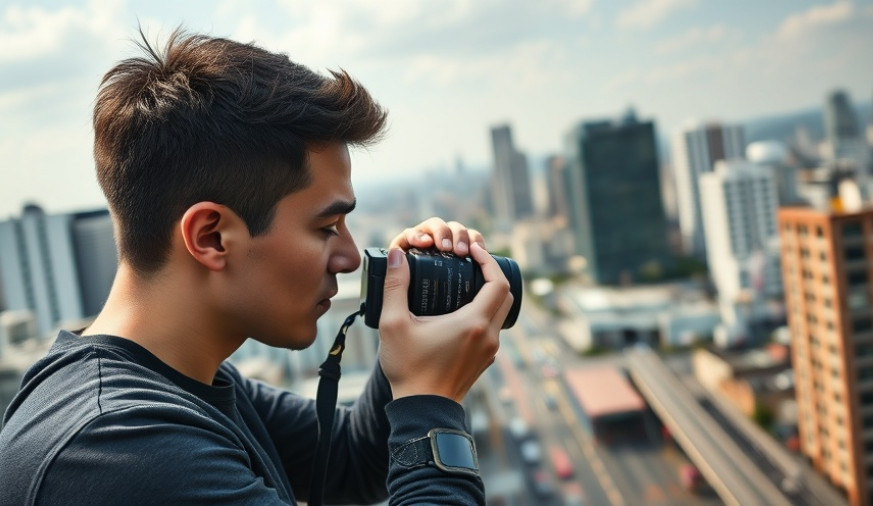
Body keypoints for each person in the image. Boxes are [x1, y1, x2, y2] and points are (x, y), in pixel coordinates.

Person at [0, 29, 513, 505]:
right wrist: (432, 409)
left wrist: (414, 321)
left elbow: (349, 464)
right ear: (211, 237)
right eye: (325, 226)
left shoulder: (178, 387)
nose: (352, 256)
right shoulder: (117, 448)